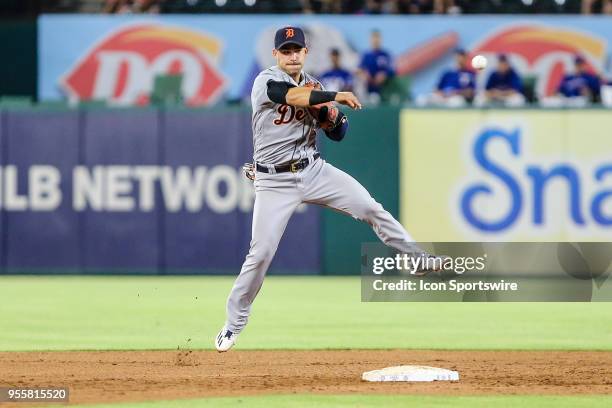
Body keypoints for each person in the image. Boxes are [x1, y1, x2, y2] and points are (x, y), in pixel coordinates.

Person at [215, 26, 441, 352]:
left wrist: (333, 119)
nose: (292, 55)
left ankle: (416, 259)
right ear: (276, 55)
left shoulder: (315, 85)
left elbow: (338, 133)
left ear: (306, 53)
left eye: (297, 50)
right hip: (273, 181)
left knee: (370, 208)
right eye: (286, 50)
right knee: (261, 253)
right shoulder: (265, 81)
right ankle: (233, 324)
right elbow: (291, 96)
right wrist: (334, 97)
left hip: (314, 170)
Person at [356, 30, 395, 103]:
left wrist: (384, 74)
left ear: (380, 39)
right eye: (374, 38)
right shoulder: (366, 55)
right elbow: (358, 69)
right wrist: (364, 74)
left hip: (383, 88)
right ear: (370, 40)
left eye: (377, 38)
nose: (375, 40)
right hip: (368, 87)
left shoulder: (385, 54)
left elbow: (392, 69)